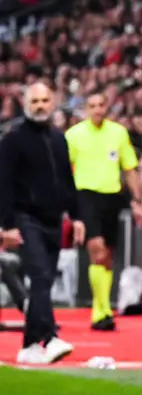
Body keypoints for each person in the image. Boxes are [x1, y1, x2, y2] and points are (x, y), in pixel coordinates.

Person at [0, 82, 86, 364]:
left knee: (44, 281)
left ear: (53, 102)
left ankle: (30, 345)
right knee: (39, 276)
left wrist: (77, 217)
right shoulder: (13, 139)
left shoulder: (60, 139)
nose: (40, 106)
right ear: (26, 104)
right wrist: (7, 225)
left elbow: (68, 181)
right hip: (25, 217)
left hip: (53, 219)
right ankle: (47, 338)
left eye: (44, 100)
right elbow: (4, 184)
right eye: (34, 101)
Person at [65, 93, 142, 331]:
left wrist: (138, 199)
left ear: (107, 107)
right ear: (85, 109)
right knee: (97, 250)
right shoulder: (74, 135)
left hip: (112, 196)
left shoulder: (118, 133)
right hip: (85, 195)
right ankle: (101, 311)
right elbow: (64, 170)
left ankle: (102, 308)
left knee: (107, 256)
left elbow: (130, 168)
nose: (97, 109)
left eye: (101, 105)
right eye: (92, 106)